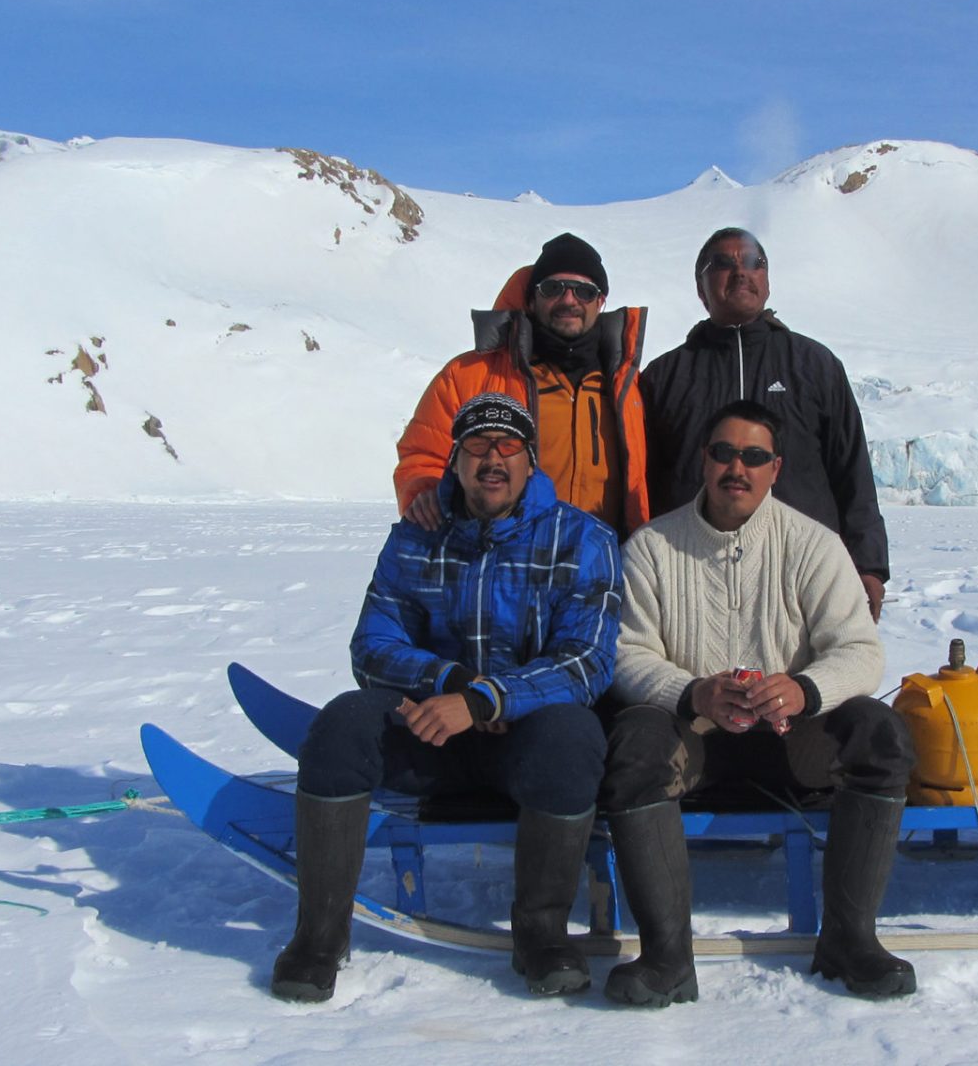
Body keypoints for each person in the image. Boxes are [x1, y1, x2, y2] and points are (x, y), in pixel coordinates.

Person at [272, 393, 623, 1003]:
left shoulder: (582, 538)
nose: (494, 458)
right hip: (433, 731)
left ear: (530, 460)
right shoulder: (415, 536)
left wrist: (491, 699)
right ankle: (318, 939)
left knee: (574, 737)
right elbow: (373, 644)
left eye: (508, 445)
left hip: (527, 741)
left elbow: (586, 660)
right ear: (455, 460)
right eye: (478, 446)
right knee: (342, 726)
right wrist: (449, 683)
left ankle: (539, 935)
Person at [598, 400, 917, 1007]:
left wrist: (804, 689)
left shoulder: (812, 545)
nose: (736, 469)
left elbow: (859, 650)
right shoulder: (652, 548)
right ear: (703, 461)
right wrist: (694, 692)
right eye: (723, 453)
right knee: (635, 740)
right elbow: (625, 654)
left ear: (775, 468)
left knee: (881, 734)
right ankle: (666, 957)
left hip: (789, 739)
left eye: (753, 457)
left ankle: (850, 940)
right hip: (689, 740)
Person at [640, 227, 890, 618]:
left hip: (803, 574)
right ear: (701, 288)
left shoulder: (814, 364)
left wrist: (869, 565)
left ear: (767, 281)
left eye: (754, 262)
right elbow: (643, 484)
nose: (741, 271)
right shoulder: (666, 376)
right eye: (722, 263)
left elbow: (851, 471)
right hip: (691, 577)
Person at [396, 232, 651, 538]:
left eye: (584, 291)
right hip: (507, 564)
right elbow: (423, 454)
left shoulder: (628, 388)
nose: (569, 300)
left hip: (605, 564)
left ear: (600, 302)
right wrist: (424, 491)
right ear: (532, 299)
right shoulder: (469, 375)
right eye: (552, 288)